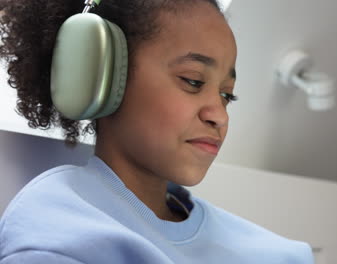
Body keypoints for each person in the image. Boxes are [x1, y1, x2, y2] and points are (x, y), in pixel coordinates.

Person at [0, 0, 314, 263]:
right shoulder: (55, 234)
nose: (219, 115)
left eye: (227, 94)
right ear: (102, 73)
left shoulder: (284, 255)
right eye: (193, 81)